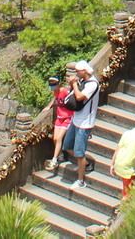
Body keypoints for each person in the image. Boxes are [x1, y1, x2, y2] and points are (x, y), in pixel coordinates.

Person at [54, 60, 100, 188]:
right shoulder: (82, 81)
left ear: (84, 71)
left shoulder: (93, 84)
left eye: (78, 71)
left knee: (79, 154)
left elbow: (80, 97)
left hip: (85, 123)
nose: (76, 73)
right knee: (67, 146)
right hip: (76, 119)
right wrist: (73, 84)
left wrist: (74, 84)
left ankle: (81, 181)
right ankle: (84, 164)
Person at [46, 70, 75, 171]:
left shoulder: (64, 91)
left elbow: (72, 99)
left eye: (54, 85)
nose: (52, 87)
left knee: (59, 139)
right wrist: (48, 107)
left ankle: (54, 160)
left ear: (58, 84)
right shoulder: (56, 92)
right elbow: (54, 99)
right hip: (59, 117)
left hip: (67, 117)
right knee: (54, 138)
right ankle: (60, 154)